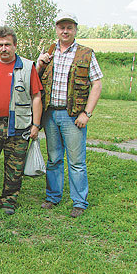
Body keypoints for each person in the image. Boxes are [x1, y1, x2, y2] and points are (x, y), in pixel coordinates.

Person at [36, 12, 103, 218]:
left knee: (76, 161)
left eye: (69, 27)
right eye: (61, 27)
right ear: (56, 29)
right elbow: (36, 80)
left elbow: (97, 83)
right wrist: (39, 63)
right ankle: (53, 197)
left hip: (72, 115)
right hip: (50, 114)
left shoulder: (86, 53)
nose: (65, 31)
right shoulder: (48, 52)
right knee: (54, 159)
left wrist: (87, 113)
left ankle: (79, 202)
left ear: (75, 29)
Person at [0, 26, 43, 215]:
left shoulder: (28, 67)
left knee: (14, 167)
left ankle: (8, 201)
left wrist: (36, 125)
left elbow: (36, 96)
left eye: (8, 45)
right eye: (0, 45)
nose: (4, 49)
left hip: (19, 127)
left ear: (15, 45)